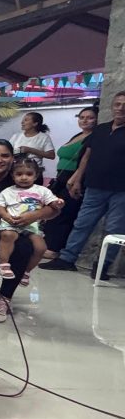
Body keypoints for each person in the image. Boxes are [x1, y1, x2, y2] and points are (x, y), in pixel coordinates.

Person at [41, 90, 125, 280]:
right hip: (94, 186)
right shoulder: (101, 129)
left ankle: (102, 267)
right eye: (118, 104)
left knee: (114, 229)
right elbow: (87, 155)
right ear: (112, 106)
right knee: (81, 224)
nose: (121, 108)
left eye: (124, 105)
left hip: (121, 191)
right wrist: (77, 177)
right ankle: (67, 259)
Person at [0, 156, 63, 284]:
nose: (24, 177)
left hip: (31, 226)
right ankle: (3, 264)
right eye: (19, 174)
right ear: (13, 176)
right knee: (8, 236)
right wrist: (5, 216)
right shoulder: (7, 191)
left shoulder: (42, 191)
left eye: (29, 174)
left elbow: (52, 202)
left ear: (36, 175)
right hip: (11, 222)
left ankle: (26, 271)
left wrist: (58, 203)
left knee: (41, 248)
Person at [42, 106, 98, 259]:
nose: (85, 120)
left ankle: (55, 248)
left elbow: (86, 160)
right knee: (53, 210)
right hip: (61, 177)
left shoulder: (93, 137)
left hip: (74, 178)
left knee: (65, 212)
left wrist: (75, 179)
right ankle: (47, 243)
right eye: (82, 117)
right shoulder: (78, 135)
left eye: (90, 118)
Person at [9, 111, 55, 183]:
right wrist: (18, 151)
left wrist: (30, 150)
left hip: (35, 172)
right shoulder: (16, 136)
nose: (22, 122)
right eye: (22, 120)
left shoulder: (43, 137)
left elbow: (51, 155)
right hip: (17, 171)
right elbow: (7, 151)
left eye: (26, 120)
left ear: (35, 123)